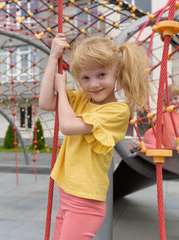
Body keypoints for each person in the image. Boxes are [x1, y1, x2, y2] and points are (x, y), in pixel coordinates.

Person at [39, 33, 151, 240]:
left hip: (86, 201)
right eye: (85, 78)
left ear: (116, 73)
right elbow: (45, 103)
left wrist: (61, 89)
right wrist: (53, 58)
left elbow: (68, 126)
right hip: (68, 192)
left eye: (101, 75)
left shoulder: (117, 110)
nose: (94, 85)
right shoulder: (83, 98)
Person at [130, 84, 179, 155]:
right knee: (159, 150)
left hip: (165, 144)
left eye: (175, 98)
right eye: (170, 99)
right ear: (166, 100)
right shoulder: (164, 110)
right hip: (152, 135)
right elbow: (159, 126)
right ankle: (135, 143)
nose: (173, 102)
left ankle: (144, 145)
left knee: (163, 150)